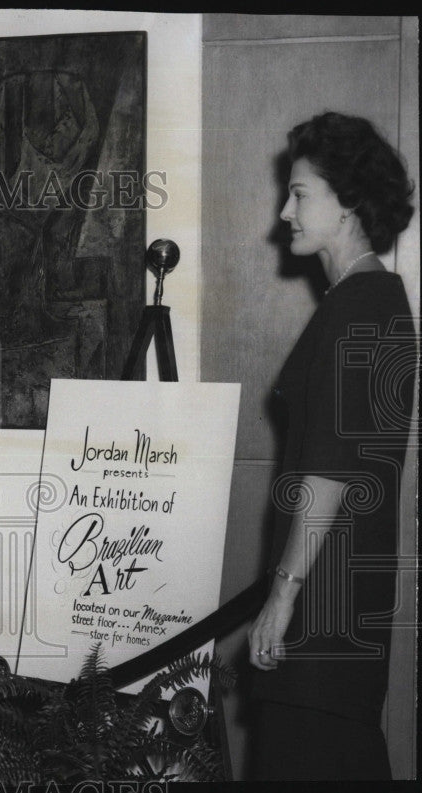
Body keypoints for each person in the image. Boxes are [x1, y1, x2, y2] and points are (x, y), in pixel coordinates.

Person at [247, 112, 415, 780]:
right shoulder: (371, 301)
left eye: (300, 193)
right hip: (341, 606)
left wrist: (283, 594)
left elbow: (329, 470)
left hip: (320, 611)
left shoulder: (361, 306)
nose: (284, 212)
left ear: (349, 202)